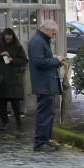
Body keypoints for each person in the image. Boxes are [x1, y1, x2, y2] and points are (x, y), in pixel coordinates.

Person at [29, 20, 65, 152]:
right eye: (53, 33)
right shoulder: (38, 41)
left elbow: (43, 59)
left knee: (48, 113)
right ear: (46, 30)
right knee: (45, 113)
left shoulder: (40, 40)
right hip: (44, 83)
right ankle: (40, 142)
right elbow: (39, 61)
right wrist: (56, 60)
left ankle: (45, 141)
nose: (53, 36)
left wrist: (56, 61)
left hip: (47, 82)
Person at [0, 27, 28, 131]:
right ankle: (4, 122)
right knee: (2, 101)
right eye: (7, 39)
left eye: (10, 39)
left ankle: (18, 121)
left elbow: (24, 60)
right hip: (1, 77)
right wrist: (0, 55)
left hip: (14, 76)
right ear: (3, 38)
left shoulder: (17, 46)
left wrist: (13, 60)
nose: (8, 41)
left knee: (15, 101)